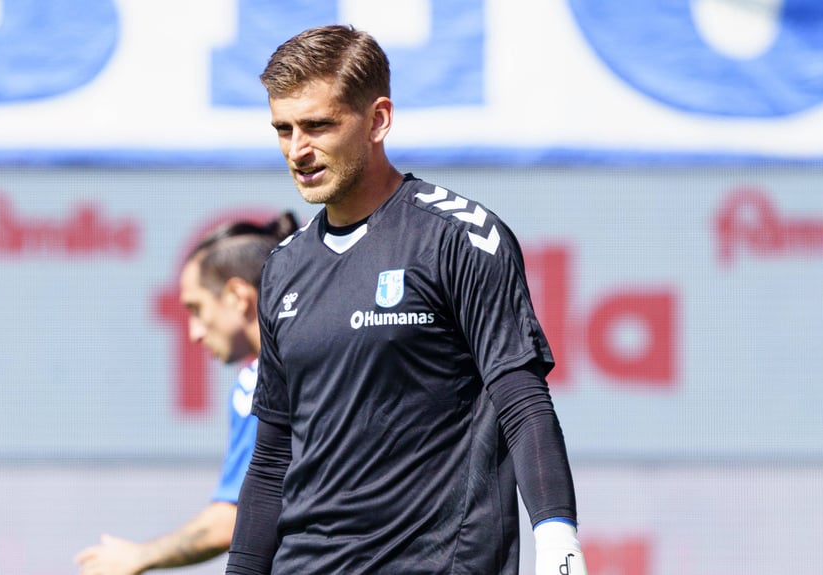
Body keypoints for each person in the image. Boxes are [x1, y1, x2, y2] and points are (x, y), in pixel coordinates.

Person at [225, 25, 587, 575]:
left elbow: (523, 402)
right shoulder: (283, 266)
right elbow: (273, 454)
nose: (298, 150)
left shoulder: (458, 236)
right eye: (284, 129)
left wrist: (559, 539)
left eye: (318, 126)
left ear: (378, 120)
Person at [74, 212, 299, 575]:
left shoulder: (256, 383)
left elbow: (235, 518)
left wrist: (138, 557)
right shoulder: (323, 361)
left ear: (238, 296)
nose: (194, 332)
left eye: (196, 308)